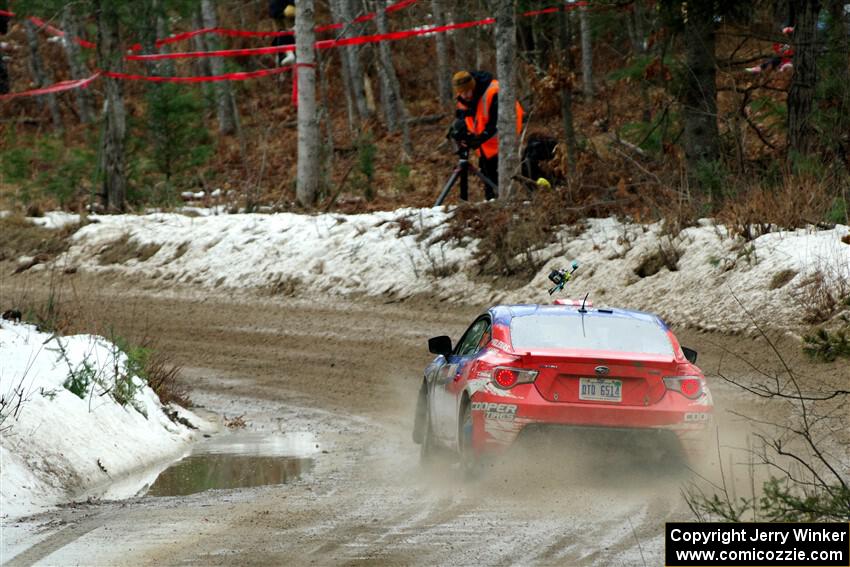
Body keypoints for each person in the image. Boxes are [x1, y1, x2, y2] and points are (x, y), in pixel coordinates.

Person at [452, 70, 524, 200]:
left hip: (504, 145)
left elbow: (498, 123)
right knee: (490, 185)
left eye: (467, 91)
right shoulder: (462, 99)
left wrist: (480, 138)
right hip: (485, 149)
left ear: (473, 86)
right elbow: (464, 119)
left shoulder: (493, 92)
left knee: (507, 184)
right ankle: (492, 202)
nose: (465, 95)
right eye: (461, 92)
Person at [269, 1, 295, 66]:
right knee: (283, 32)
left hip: (280, 9)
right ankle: (287, 54)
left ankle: (285, 55)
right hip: (284, 9)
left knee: (282, 32)